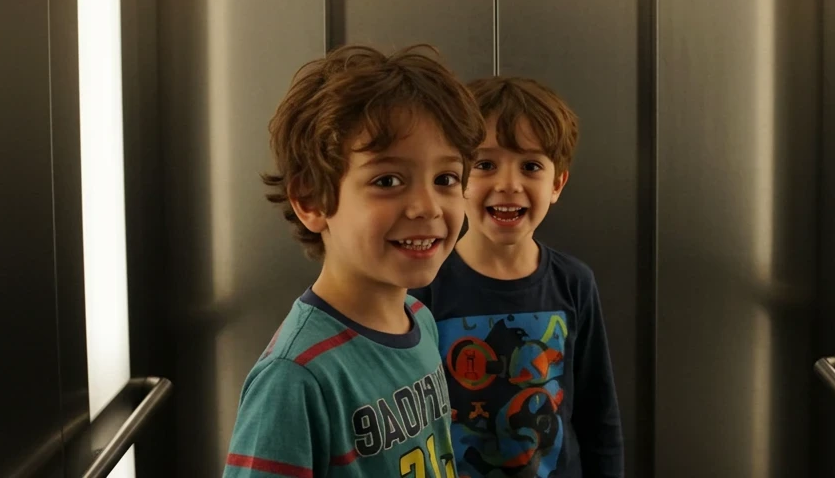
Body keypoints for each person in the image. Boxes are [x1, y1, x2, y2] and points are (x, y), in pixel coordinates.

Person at [223, 44, 486, 478]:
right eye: (387, 180)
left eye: (446, 179)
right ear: (311, 199)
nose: (427, 207)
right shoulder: (294, 378)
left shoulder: (419, 319)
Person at [412, 77, 624, 478]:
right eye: (485, 164)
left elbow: (600, 416)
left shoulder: (575, 282)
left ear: (557, 183)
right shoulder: (425, 283)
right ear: (454, 177)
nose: (508, 185)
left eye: (530, 166)